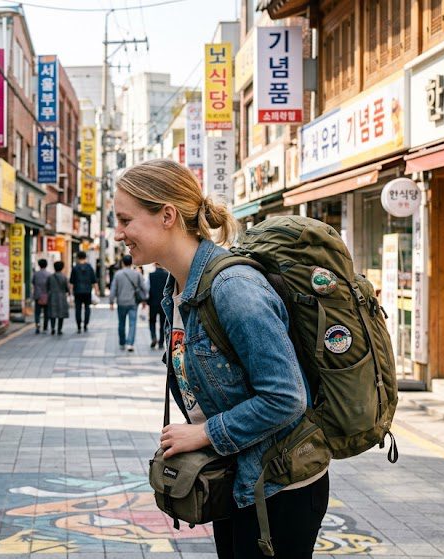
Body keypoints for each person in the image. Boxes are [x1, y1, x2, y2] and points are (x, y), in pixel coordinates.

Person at [114, 159, 323, 559]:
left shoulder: (233, 288)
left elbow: (285, 397)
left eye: (126, 220)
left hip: (279, 489)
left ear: (167, 216)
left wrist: (205, 432)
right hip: (240, 479)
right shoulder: (177, 291)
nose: (119, 233)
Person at [109, 254, 145, 352]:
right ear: (131, 262)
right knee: (132, 323)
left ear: (123, 263)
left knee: (121, 323)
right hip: (133, 302)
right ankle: (130, 344)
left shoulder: (118, 274)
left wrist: (111, 301)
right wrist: (144, 300)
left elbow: (113, 289)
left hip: (121, 302)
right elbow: (143, 287)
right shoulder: (137, 274)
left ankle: (122, 342)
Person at [69, 251, 98, 333]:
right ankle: (85, 325)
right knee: (87, 308)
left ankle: (78, 326)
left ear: (78, 258)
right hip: (87, 291)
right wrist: (96, 292)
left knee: (78, 309)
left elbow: (71, 282)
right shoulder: (89, 267)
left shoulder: (75, 268)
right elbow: (94, 281)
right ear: (85, 257)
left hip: (77, 291)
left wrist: (70, 293)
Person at [147, 266, 168, 349]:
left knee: (152, 321)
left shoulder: (151, 275)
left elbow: (147, 288)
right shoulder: (167, 275)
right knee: (163, 323)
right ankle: (161, 342)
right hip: (163, 303)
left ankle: (153, 337)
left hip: (153, 302)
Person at [46, 261, 70, 335]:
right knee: (61, 314)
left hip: (52, 296)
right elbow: (67, 288)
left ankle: (53, 328)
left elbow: (47, 287)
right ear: (62, 268)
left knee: (52, 313)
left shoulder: (50, 277)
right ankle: (59, 329)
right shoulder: (64, 277)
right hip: (61, 297)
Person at [31, 259, 51, 334]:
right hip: (47, 295)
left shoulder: (36, 274)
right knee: (46, 312)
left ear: (39, 265)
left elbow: (33, 282)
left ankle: (38, 325)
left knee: (37, 312)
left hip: (38, 295)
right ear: (46, 265)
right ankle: (45, 327)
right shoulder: (49, 274)